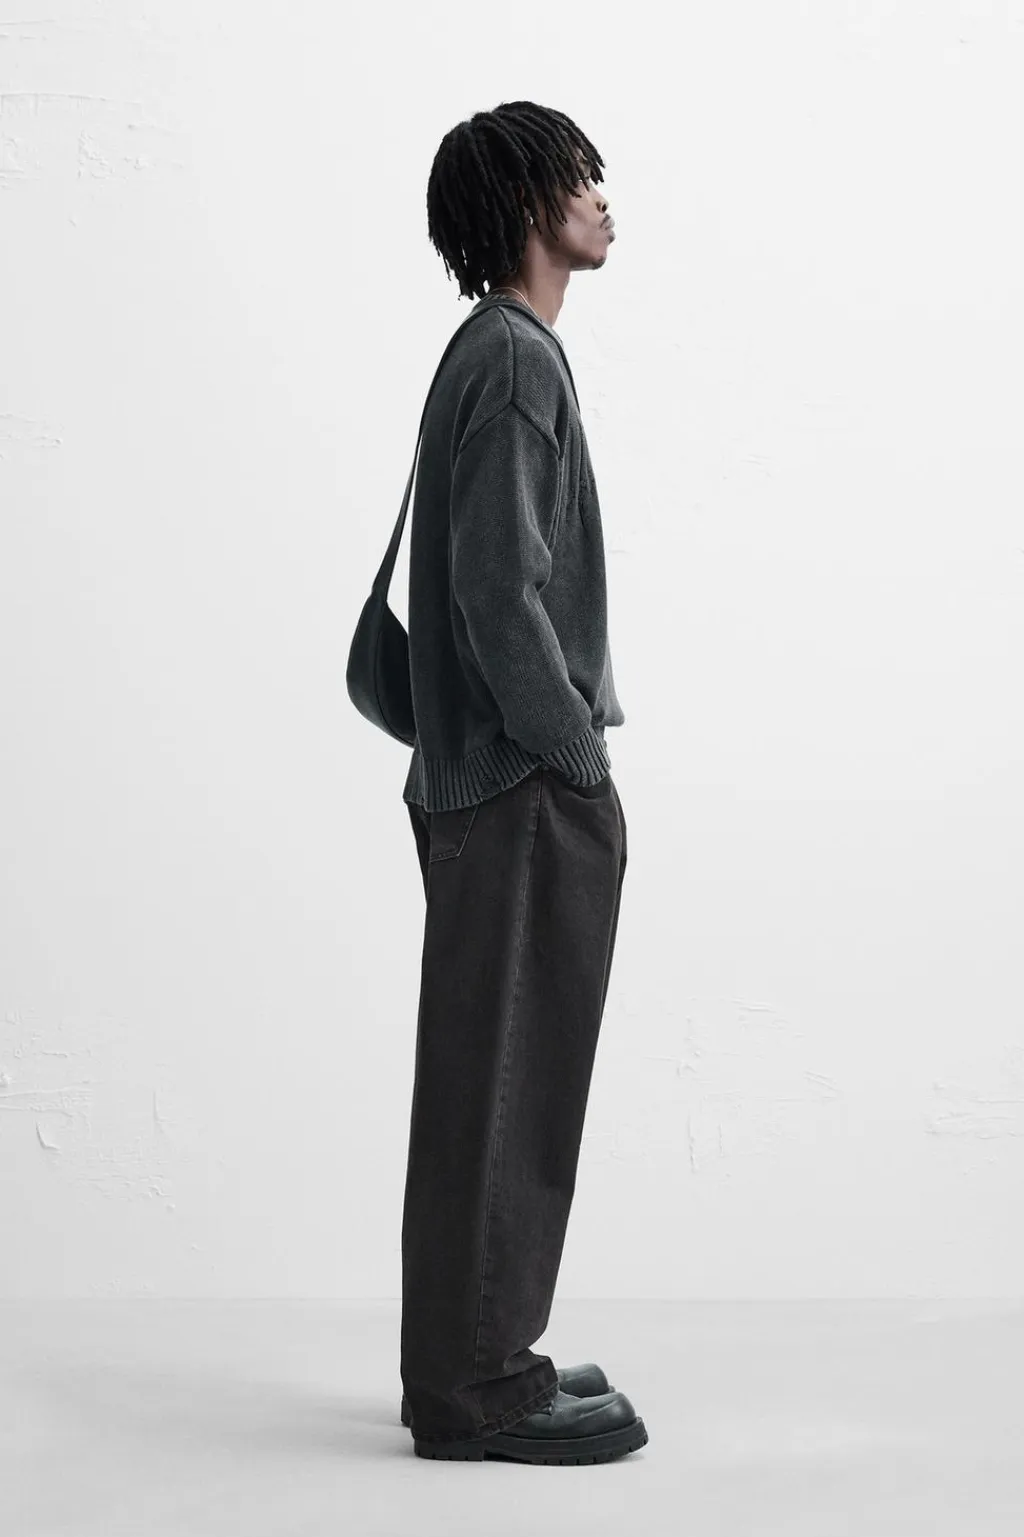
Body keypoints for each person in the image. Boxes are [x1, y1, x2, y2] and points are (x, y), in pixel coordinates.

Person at [398, 99, 646, 1466]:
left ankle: (467, 1357)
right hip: (518, 788)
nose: (603, 197)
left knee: (481, 1087)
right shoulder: (513, 358)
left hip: (479, 782)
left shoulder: (487, 350)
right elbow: (500, 596)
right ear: (530, 203)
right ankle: (481, 1384)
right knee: (510, 1089)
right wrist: (577, 755)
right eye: (580, 176)